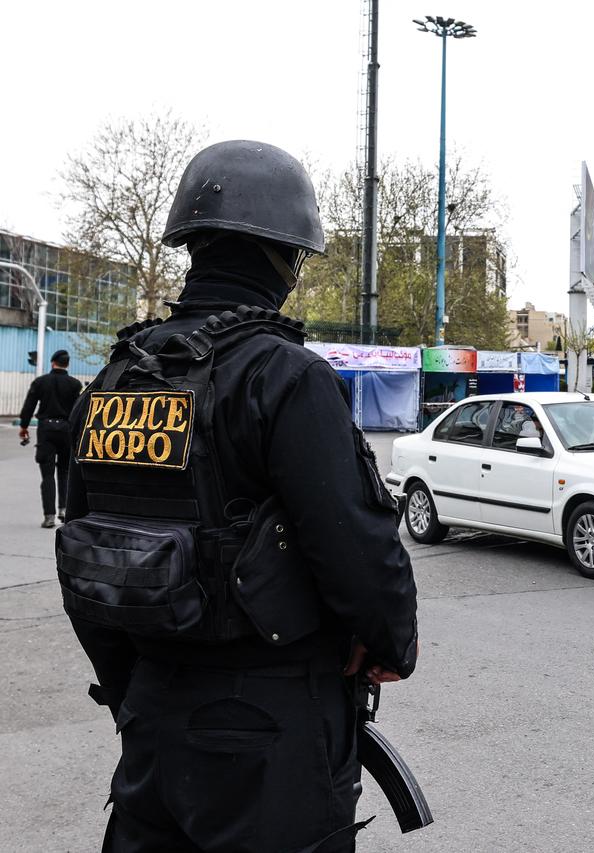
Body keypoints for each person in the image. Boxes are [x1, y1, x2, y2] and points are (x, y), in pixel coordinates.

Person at [60, 140, 419, 852]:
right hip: (270, 732)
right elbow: (352, 540)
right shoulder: (285, 376)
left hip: (152, 722)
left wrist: (137, 690)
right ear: (286, 258)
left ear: (193, 245)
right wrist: (391, 644)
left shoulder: (114, 381)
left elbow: (84, 556)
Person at [19, 349, 82, 528]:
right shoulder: (74, 384)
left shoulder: (40, 382)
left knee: (47, 475)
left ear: (52, 362)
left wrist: (23, 427)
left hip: (46, 430)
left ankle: (49, 516)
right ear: (67, 364)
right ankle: (63, 509)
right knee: (64, 472)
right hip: (66, 430)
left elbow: (29, 406)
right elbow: (78, 410)